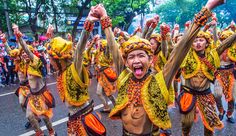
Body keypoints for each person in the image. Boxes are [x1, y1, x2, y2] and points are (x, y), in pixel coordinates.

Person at [90, 0, 225, 135]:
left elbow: (181, 47)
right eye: (131, 57)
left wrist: (208, 7)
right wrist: (104, 17)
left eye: (141, 56)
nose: (136, 60)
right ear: (126, 62)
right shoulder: (124, 75)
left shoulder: (161, 79)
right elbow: (114, 48)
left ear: (150, 59)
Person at [46, 7, 106, 135]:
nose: (49, 62)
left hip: (85, 119)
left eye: (51, 59)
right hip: (74, 118)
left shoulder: (74, 68)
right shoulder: (61, 72)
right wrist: (50, 38)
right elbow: (56, 48)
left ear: (59, 60)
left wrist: (88, 23)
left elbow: (79, 50)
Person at [12, 24, 56, 136]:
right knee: (29, 116)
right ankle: (39, 133)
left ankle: (52, 132)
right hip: (33, 96)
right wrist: (14, 39)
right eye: (23, 55)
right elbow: (16, 53)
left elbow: (27, 50)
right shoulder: (25, 65)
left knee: (46, 118)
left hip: (42, 94)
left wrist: (19, 36)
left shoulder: (35, 61)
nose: (25, 56)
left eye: (27, 54)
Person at [214, 29, 236, 123]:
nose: (226, 41)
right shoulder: (218, 47)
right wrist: (214, 25)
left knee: (233, 97)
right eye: (224, 39)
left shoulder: (234, 49)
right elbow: (215, 38)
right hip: (219, 74)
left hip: (231, 74)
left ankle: (230, 114)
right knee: (217, 95)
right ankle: (221, 111)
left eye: (228, 39)